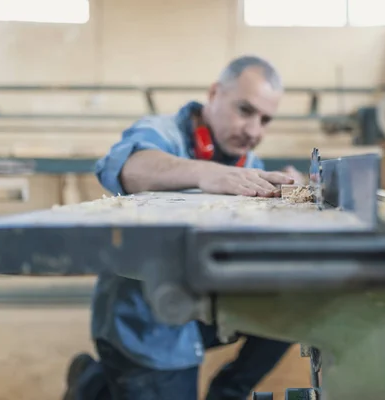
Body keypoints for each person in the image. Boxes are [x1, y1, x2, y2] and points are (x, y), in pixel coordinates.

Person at [63, 55, 305, 400]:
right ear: (214, 93)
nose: (254, 130)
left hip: (203, 302)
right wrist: (209, 174)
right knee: (148, 382)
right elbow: (128, 167)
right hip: (146, 320)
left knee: (301, 304)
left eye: (265, 119)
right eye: (245, 110)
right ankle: (91, 385)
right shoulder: (162, 132)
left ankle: (229, 391)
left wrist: (291, 193)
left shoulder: (248, 162)